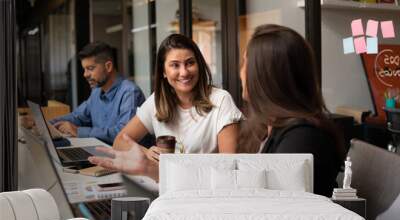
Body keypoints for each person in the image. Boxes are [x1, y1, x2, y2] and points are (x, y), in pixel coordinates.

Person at [89, 33, 242, 180]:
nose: (184, 72)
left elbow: (229, 167)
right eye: (175, 65)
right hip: (167, 189)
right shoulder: (157, 101)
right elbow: (120, 142)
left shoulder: (221, 100)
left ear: (199, 65)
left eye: (190, 63)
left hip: (207, 193)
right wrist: (146, 152)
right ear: (163, 71)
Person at [238, 24, 345, 197]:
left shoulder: (302, 140)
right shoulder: (274, 127)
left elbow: (279, 211)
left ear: (264, 76)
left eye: (245, 63)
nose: (241, 72)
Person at [50, 41, 145, 145]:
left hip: (126, 158)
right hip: (102, 152)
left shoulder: (130, 92)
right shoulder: (96, 92)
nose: (85, 75)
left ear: (108, 67)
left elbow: (123, 135)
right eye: (84, 69)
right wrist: (47, 124)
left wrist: (78, 131)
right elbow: (77, 116)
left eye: (90, 68)